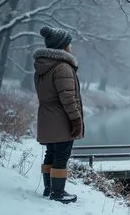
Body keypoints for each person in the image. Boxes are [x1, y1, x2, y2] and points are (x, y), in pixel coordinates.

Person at [33, 26, 84, 204]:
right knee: (61, 156)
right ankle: (58, 193)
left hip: (46, 117)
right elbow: (68, 98)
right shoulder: (62, 67)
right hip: (61, 119)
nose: (71, 46)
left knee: (51, 153)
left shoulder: (41, 66)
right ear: (62, 46)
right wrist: (76, 120)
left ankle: (49, 189)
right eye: (69, 42)